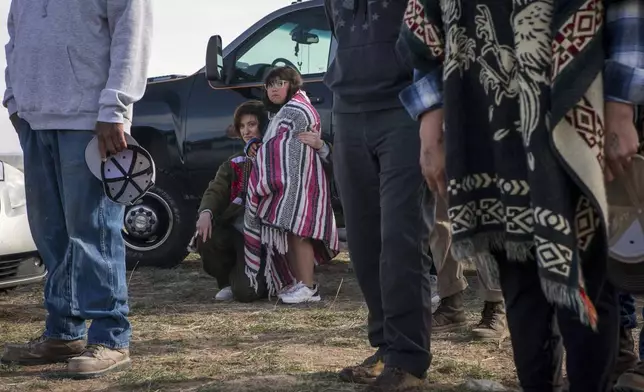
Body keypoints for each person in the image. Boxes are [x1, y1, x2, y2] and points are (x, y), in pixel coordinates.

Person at [399, 0, 643, 390]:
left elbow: (626, 11)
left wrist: (621, 103)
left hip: (576, 115)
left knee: (585, 281)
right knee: (521, 286)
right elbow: (425, 28)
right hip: (484, 119)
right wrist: (430, 121)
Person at [1, 0, 153, 378]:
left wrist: (114, 109)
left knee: (93, 231)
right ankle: (63, 333)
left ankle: (111, 336)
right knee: (51, 234)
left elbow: (132, 33)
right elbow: (14, 37)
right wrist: (14, 101)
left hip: (90, 120)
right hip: (35, 120)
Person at [323, 1, 433, 390]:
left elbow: (433, 36)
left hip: (404, 107)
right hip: (347, 110)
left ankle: (408, 358)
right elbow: (338, 30)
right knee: (364, 241)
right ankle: (387, 347)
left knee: (401, 238)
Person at [244, 66, 338, 304]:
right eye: (270, 85)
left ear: (292, 84)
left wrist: (265, 156)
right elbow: (272, 144)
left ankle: (308, 287)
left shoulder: (296, 110)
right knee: (291, 234)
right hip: (293, 183)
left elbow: (283, 148)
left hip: (302, 182)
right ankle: (301, 284)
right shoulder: (279, 113)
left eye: (280, 83)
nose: (274, 89)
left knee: (300, 232)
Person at [194, 101, 270, 302]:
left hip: (267, 237)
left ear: (264, 125)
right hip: (237, 232)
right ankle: (226, 281)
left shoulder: (277, 156)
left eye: (252, 124)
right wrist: (206, 212)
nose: (246, 131)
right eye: (242, 126)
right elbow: (216, 188)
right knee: (206, 235)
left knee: (246, 293)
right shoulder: (234, 162)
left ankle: (259, 279)